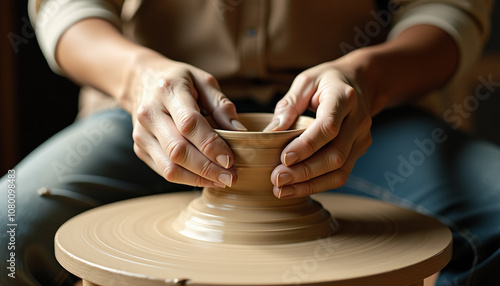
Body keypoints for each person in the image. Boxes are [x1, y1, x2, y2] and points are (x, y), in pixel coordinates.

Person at [1, 0, 499, 285]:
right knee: (7, 231)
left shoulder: (362, 97)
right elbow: (65, 10)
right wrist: (138, 75)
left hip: (355, 116)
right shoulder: (144, 97)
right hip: (150, 116)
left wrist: (366, 76)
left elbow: (448, 13)